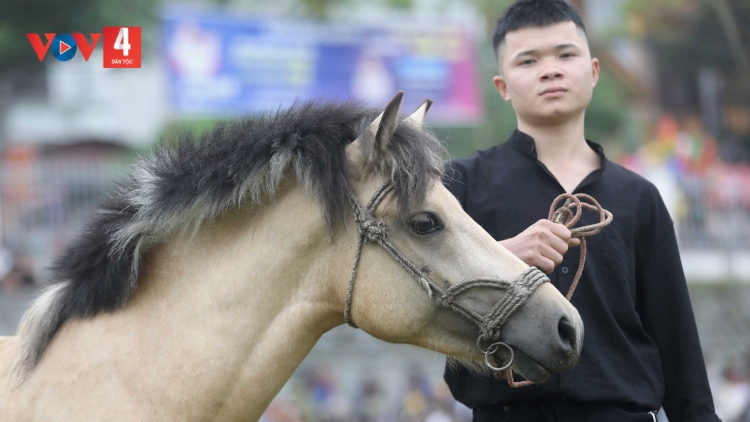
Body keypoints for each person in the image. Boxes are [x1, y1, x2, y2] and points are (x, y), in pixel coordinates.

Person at [441, 1, 721, 421]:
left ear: (592, 71)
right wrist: (503, 257)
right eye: (528, 60)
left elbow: (675, 336)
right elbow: (430, 304)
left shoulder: (638, 197)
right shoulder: (459, 185)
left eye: (565, 54)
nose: (550, 70)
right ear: (502, 85)